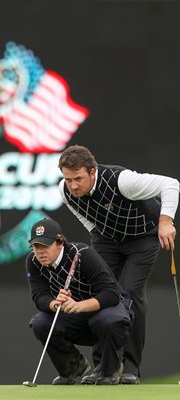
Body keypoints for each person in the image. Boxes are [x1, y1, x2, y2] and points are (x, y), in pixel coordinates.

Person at [58, 144, 179, 384]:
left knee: (131, 294)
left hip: (143, 237)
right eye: (68, 179)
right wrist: (99, 234)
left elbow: (171, 184)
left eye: (78, 178)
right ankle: (104, 367)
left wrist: (166, 222)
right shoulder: (66, 191)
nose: (73, 185)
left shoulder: (122, 181)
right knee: (99, 294)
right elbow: (86, 217)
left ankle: (131, 367)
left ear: (92, 172)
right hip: (107, 239)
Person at [26, 217, 131, 385]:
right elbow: (39, 296)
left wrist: (79, 306)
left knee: (109, 319)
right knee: (40, 323)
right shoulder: (33, 262)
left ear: (60, 243)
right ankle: (73, 368)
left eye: (45, 245)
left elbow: (112, 294)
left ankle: (110, 370)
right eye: (36, 246)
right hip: (75, 318)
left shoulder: (82, 254)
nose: (40, 251)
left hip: (105, 312)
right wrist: (55, 304)